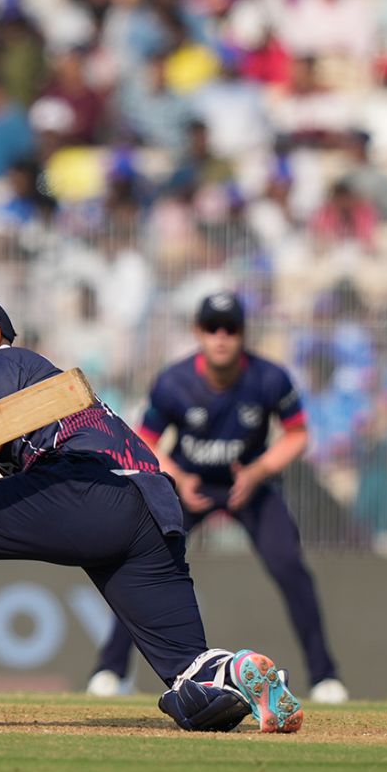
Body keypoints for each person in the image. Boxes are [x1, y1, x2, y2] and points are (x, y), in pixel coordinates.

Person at [0, 294, 302, 733]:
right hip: (152, 508)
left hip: (88, 487)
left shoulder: (1, 363)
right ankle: (236, 672)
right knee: (190, 686)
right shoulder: (30, 380)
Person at [87, 292, 348, 704]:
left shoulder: (269, 379)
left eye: (231, 329)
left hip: (251, 485)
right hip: (189, 487)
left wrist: (259, 471)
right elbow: (145, 440)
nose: (221, 337)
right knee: (144, 566)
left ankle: (325, 676)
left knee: (289, 567)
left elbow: (298, 434)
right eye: (212, 328)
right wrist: (179, 476)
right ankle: (110, 669)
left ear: (243, 334)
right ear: (199, 333)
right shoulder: (175, 381)